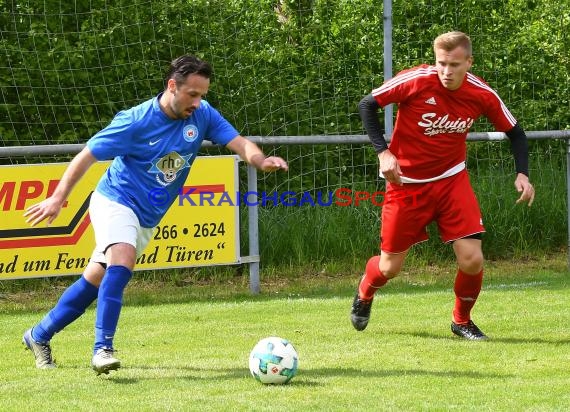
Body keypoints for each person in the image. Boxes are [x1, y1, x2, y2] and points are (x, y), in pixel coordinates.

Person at [22, 54, 288, 373]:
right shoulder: (134, 121)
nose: (198, 102)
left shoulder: (202, 115)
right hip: (115, 200)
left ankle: (39, 335)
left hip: (147, 217)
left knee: (97, 277)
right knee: (123, 258)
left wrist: (259, 160)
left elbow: (239, 143)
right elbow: (86, 156)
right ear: (172, 86)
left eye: (202, 95)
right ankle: (102, 349)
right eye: (192, 94)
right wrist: (57, 198)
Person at [351, 31, 535, 340]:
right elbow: (367, 104)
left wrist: (522, 174)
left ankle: (461, 320)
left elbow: (516, 133)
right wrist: (383, 152)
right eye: (441, 63)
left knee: (472, 258)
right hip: (406, 185)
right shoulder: (417, 80)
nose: (446, 72)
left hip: (452, 181)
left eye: (454, 64)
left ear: (469, 63)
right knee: (389, 268)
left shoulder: (482, 93)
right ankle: (365, 292)